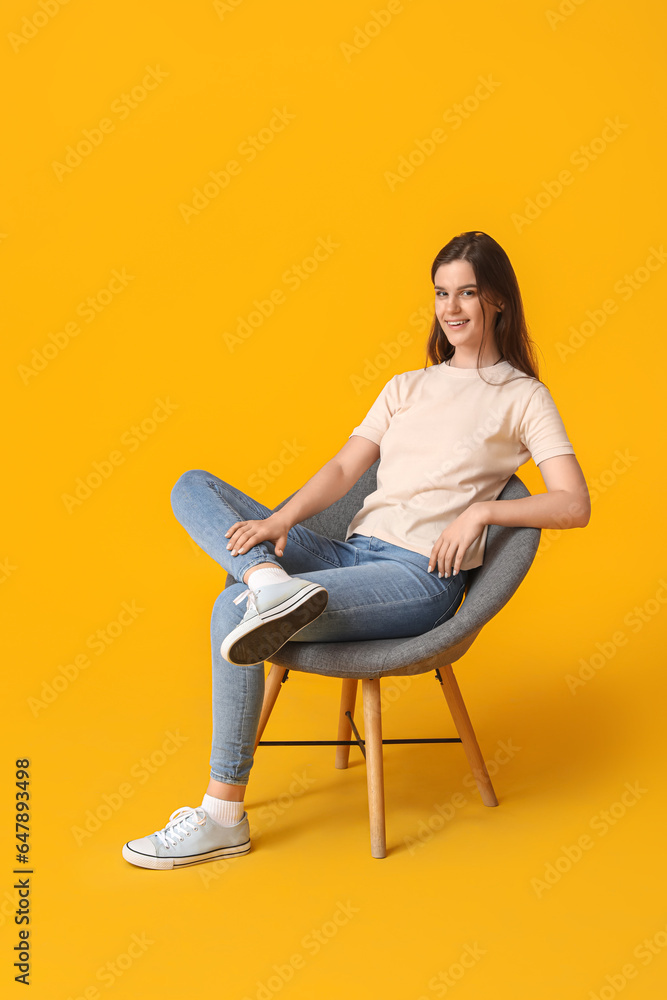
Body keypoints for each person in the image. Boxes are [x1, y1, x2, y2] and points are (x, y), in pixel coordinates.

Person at [121, 230, 590, 870]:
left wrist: (482, 510)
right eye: (441, 294)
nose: (452, 309)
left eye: (468, 294)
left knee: (229, 611)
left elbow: (573, 503)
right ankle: (266, 579)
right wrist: (278, 525)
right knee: (192, 487)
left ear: (498, 301)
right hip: (350, 553)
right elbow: (344, 471)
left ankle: (222, 815)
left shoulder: (522, 397)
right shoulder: (405, 387)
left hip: (416, 578)